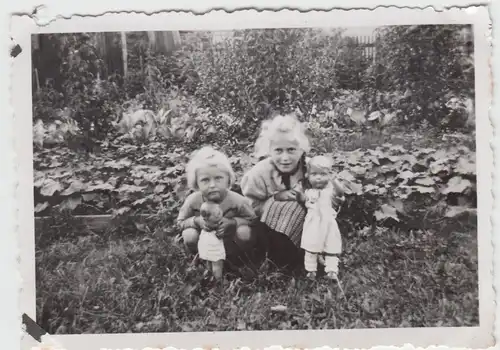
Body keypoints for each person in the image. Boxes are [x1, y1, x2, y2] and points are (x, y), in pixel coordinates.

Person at [240, 114, 310, 270]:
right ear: (269, 150)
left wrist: (306, 198)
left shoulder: (310, 169)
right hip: (267, 228)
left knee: (296, 208)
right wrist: (275, 198)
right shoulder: (260, 173)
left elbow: (330, 194)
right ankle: (275, 261)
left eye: (291, 150)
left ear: (301, 150)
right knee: (283, 207)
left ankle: (304, 255)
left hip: (306, 225)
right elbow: (249, 207)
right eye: (278, 151)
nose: (285, 158)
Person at [177, 146, 257, 278]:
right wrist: (196, 221)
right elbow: (180, 223)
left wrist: (233, 223)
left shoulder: (237, 200)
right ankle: (201, 259)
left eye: (218, 178)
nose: (212, 185)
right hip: (205, 241)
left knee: (245, 233)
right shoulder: (193, 200)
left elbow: (253, 220)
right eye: (205, 180)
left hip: (229, 241)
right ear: (196, 183)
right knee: (189, 234)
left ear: (228, 179)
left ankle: (239, 261)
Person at [300, 155, 346, 281]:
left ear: (329, 175)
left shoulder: (330, 191)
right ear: (308, 176)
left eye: (323, 174)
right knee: (310, 248)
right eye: (314, 174)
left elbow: (340, 193)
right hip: (312, 225)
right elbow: (302, 199)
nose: (318, 177)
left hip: (328, 225)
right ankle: (311, 270)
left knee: (331, 246)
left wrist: (335, 181)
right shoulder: (308, 192)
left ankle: (332, 270)